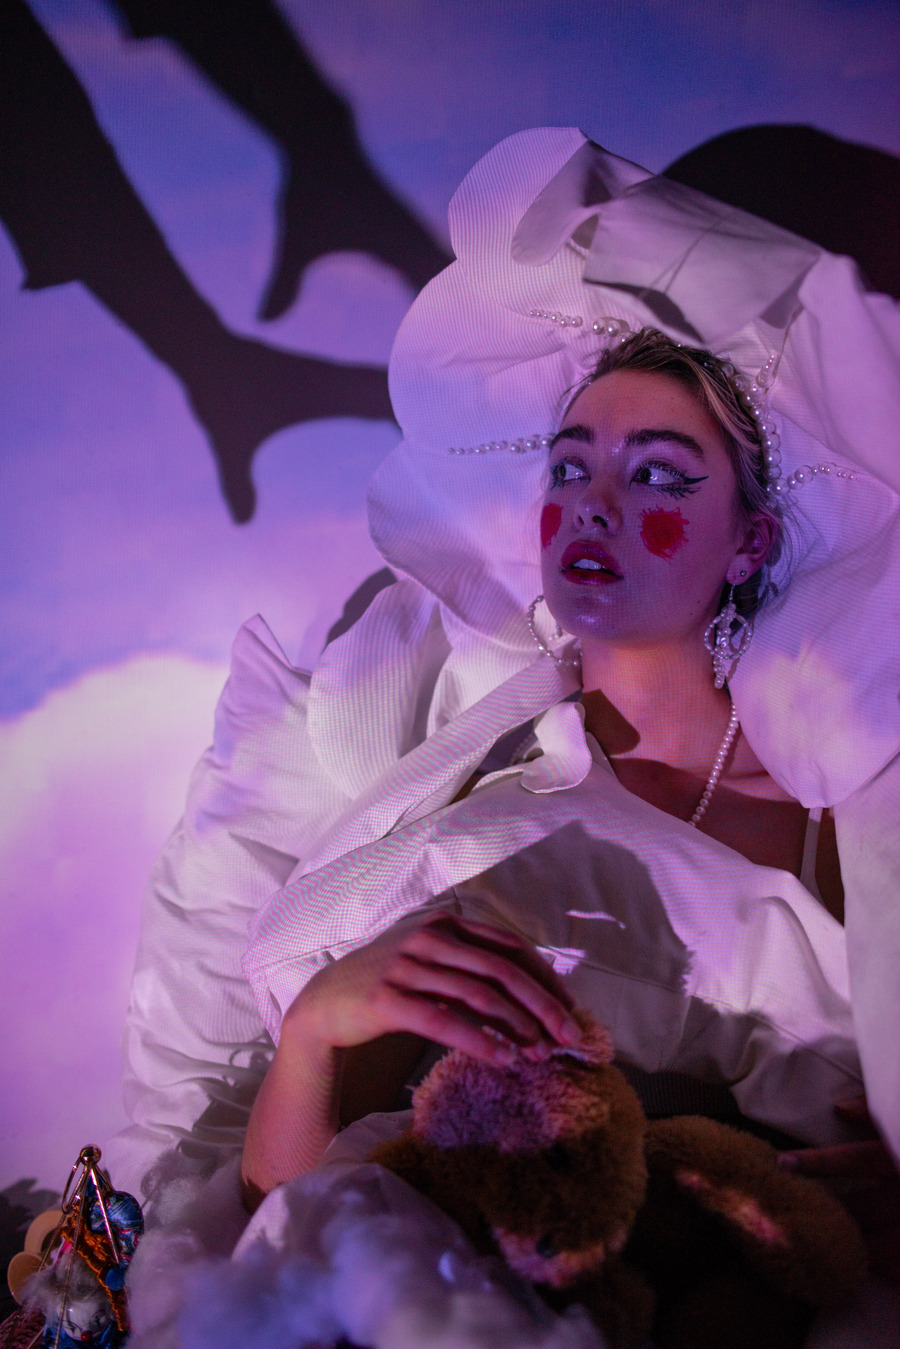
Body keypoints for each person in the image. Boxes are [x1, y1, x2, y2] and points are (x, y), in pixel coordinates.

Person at [106, 131, 900, 1333]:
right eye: (571, 467)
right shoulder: (472, 782)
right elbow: (273, 1225)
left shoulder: (845, 807)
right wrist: (316, 1029)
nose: (594, 505)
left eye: (659, 475)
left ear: (752, 538)